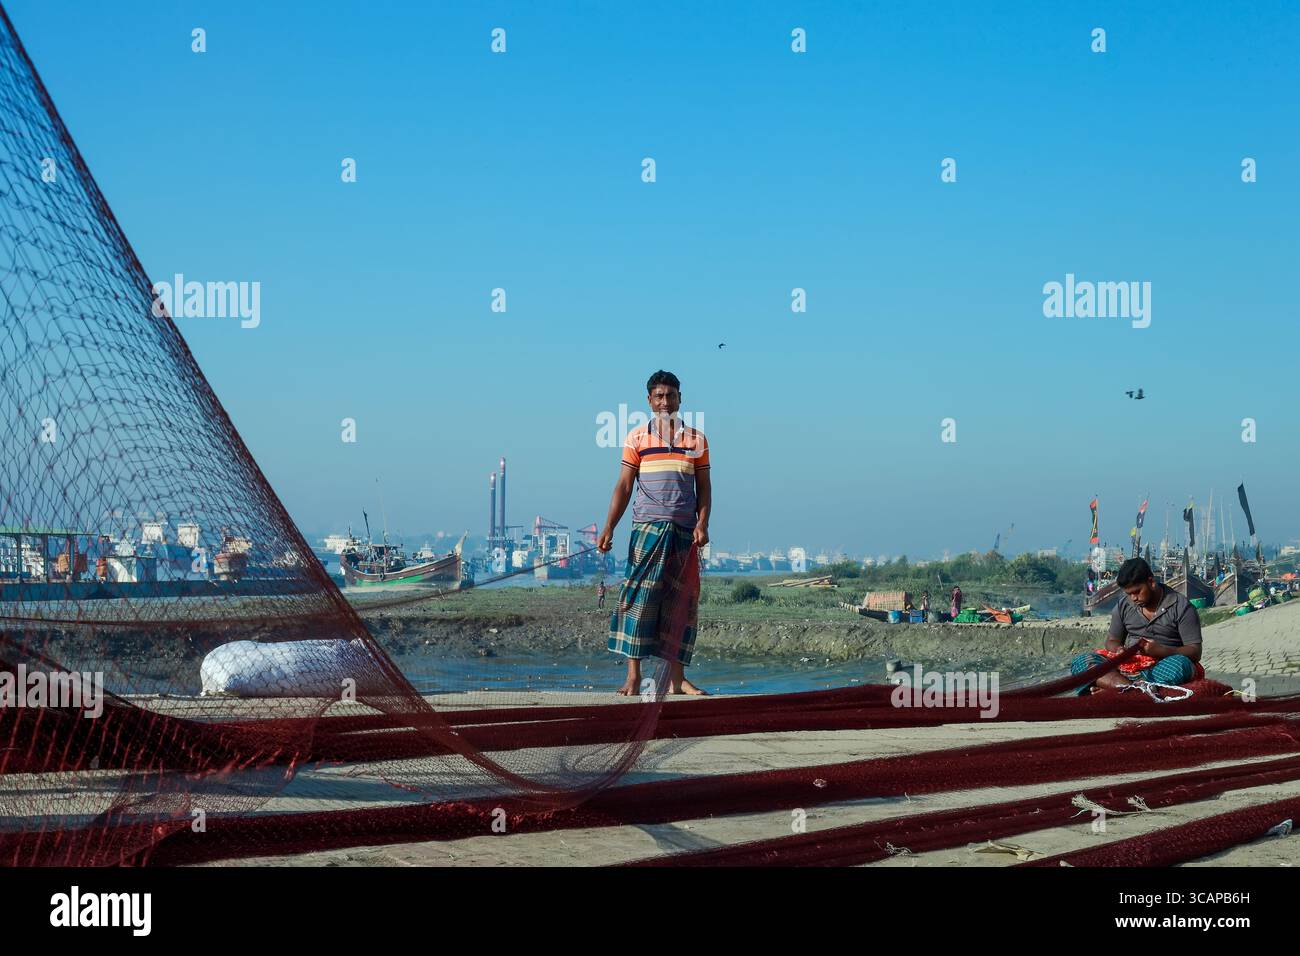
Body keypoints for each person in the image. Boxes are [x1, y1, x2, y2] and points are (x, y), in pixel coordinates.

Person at [598, 370, 711, 696]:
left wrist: (702, 524)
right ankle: (633, 677)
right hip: (646, 528)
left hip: (685, 533)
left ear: (679, 399)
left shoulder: (696, 440)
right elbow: (623, 485)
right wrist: (609, 527)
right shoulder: (636, 439)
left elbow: (704, 488)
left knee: (681, 605)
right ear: (649, 401)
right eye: (659, 396)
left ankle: (677, 680)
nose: (665, 402)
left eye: (671, 396)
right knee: (638, 600)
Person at [1069, 557, 1203, 694]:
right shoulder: (1124, 605)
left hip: (1161, 667)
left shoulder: (1181, 606)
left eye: (1137, 591)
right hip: (1127, 667)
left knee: (1180, 665)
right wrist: (1119, 650)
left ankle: (1116, 688)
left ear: (1151, 582)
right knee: (1081, 662)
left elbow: (1195, 651)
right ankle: (1133, 690)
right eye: (1129, 594)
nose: (1133, 598)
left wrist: (1161, 651)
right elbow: (1112, 641)